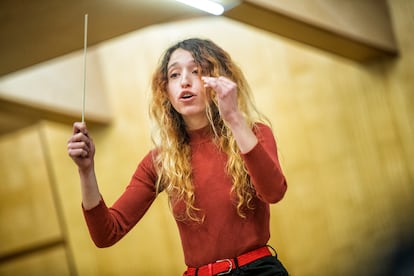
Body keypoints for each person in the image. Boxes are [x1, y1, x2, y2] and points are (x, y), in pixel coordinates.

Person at [67, 38, 289, 275]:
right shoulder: (160, 161)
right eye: (174, 75)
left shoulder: (253, 134)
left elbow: (274, 192)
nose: (184, 81)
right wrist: (86, 171)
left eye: (196, 71)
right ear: (166, 92)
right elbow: (106, 234)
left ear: (217, 80)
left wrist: (234, 118)